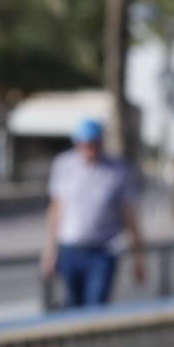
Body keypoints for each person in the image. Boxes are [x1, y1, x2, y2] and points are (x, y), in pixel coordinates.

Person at [41, 118, 146, 309]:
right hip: (70, 248)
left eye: (95, 144)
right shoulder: (64, 166)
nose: (90, 150)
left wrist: (138, 256)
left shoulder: (117, 170)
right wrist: (50, 251)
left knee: (96, 305)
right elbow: (56, 210)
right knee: (73, 304)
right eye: (86, 145)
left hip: (103, 250)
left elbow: (130, 215)